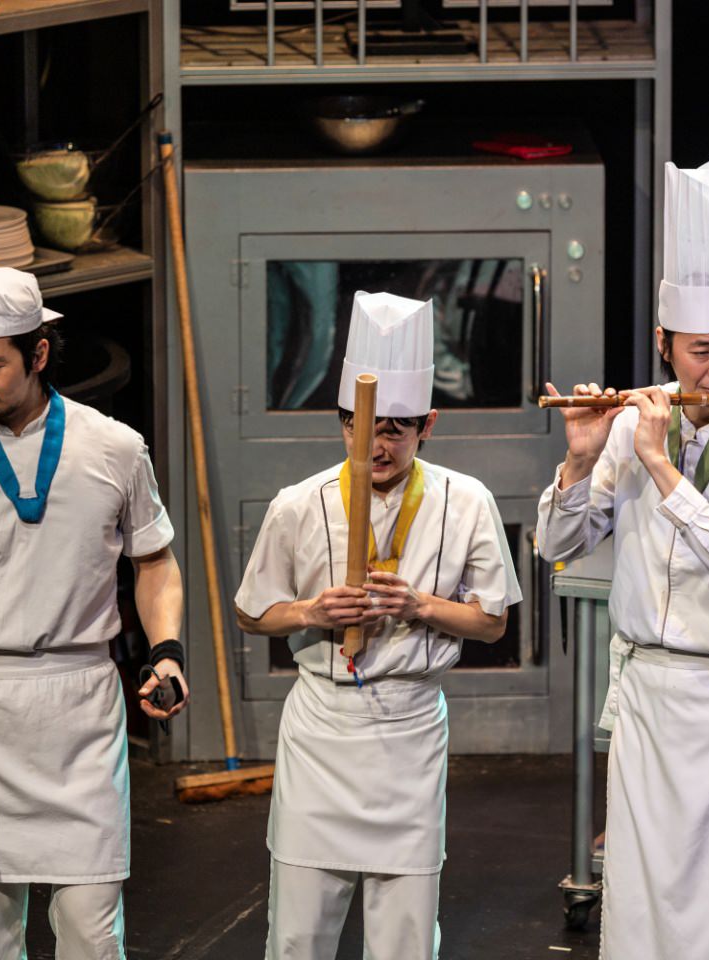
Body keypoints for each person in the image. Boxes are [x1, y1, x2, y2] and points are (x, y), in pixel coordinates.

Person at [536, 157, 709, 960]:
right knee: (644, 904)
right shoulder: (629, 424)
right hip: (649, 700)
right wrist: (582, 458)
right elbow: (557, 547)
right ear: (663, 344)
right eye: (700, 351)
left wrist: (660, 466)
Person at [0, 267, 189, 959]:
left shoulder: (114, 447)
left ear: (39, 352)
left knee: (91, 933)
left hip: (81, 709)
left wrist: (166, 652)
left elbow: (155, 563)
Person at [235, 290, 522, 960]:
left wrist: (420, 606)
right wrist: (310, 612)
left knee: (404, 937)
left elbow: (491, 622)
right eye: (361, 426)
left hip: (409, 729)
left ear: (428, 424)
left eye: (396, 428)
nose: (377, 444)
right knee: (298, 934)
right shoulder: (298, 504)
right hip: (322, 729)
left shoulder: (466, 501)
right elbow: (251, 610)